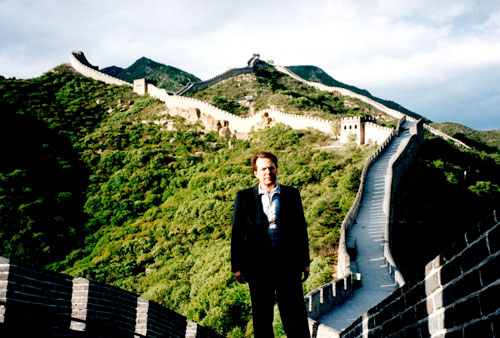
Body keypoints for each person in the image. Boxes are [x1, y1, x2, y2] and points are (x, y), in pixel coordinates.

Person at [231, 151, 311, 338]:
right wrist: (237, 266)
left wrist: (304, 261)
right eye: (263, 169)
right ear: (255, 173)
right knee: (262, 318)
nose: (268, 172)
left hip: (288, 264)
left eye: (271, 167)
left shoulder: (291, 194)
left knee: (295, 317)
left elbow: (300, 229)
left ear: (277, 169)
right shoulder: (243, 197)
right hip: (258, 266)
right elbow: (237, 233)